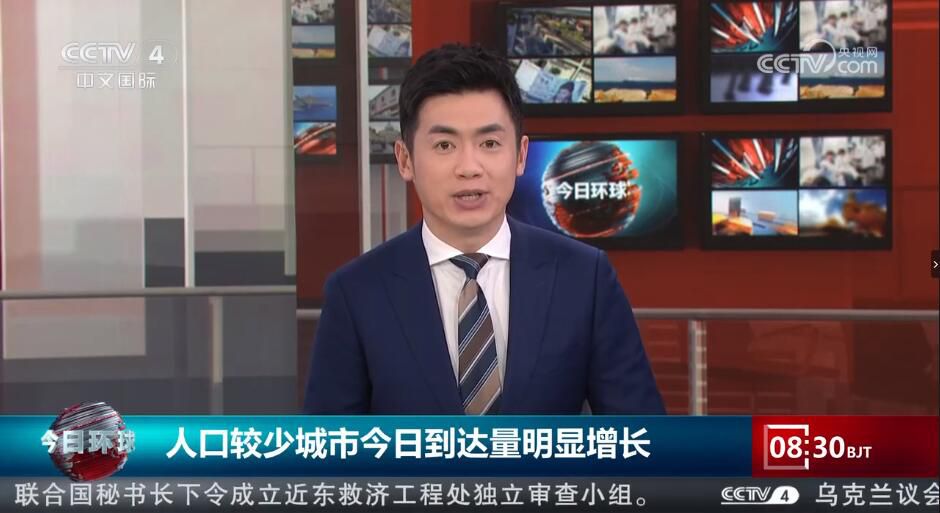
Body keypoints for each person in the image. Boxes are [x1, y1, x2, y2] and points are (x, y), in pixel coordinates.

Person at [304, 43, 664, 415]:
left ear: (520, 155)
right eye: (444, 145)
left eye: (490, 143)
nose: (469, 167)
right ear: (405, 159)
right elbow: (328, 444)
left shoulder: (584, 278)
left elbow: (644, 436)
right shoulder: (357, 292)